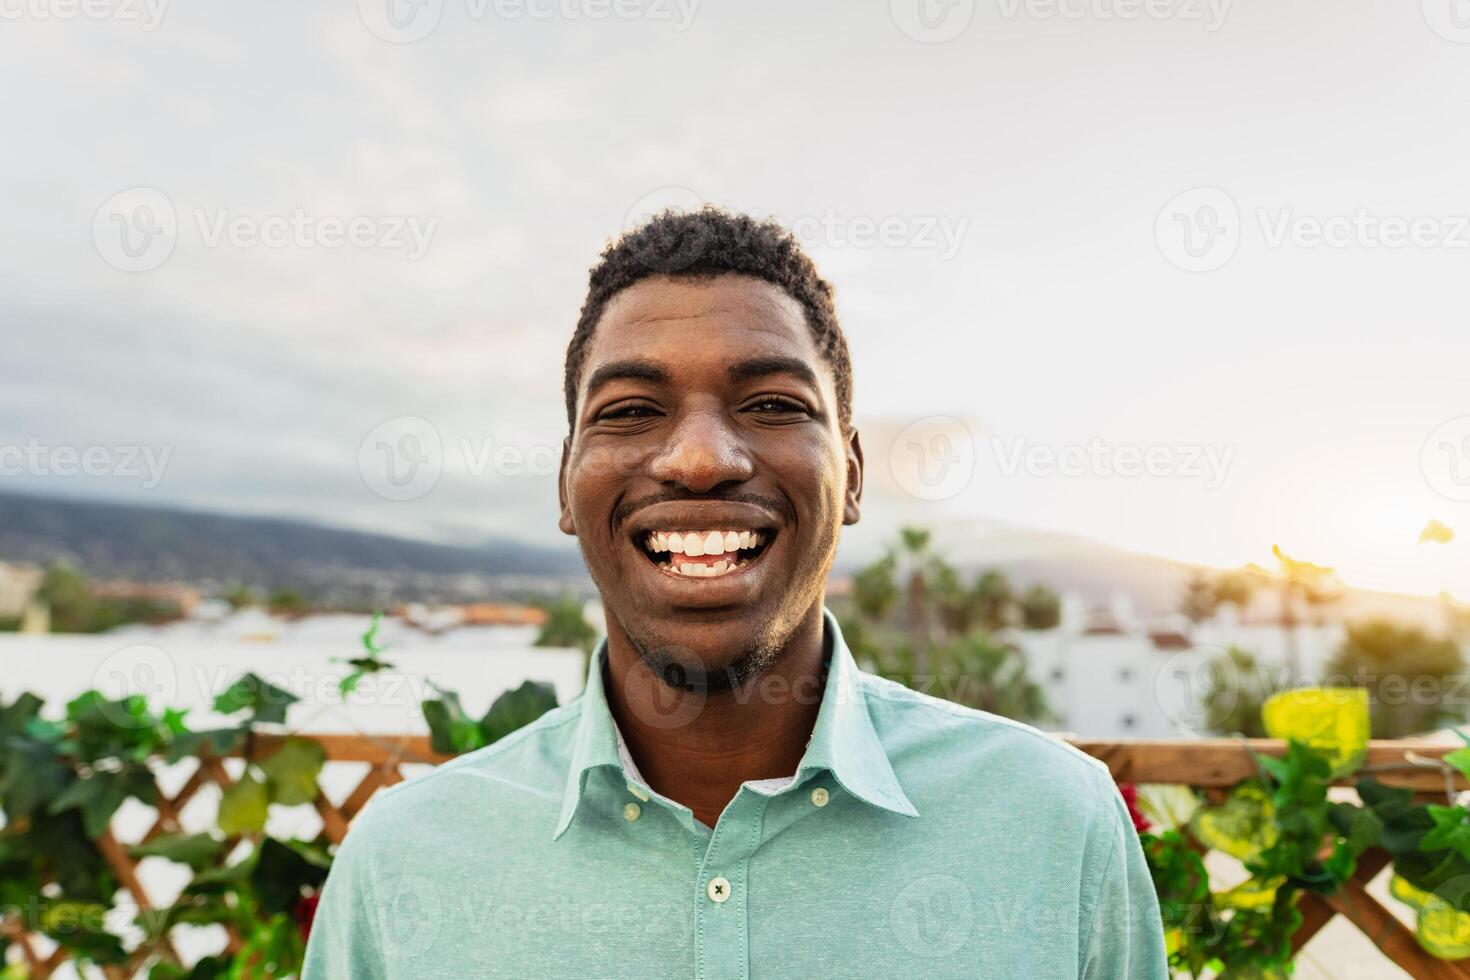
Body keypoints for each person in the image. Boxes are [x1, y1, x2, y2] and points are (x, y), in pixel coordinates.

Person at [303, 207, 1169, 978]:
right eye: (632, 411)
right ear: (567, 487)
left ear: (854, 477)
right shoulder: (403, 863)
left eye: (771, 403)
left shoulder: (1054, 824)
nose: (701, 458)